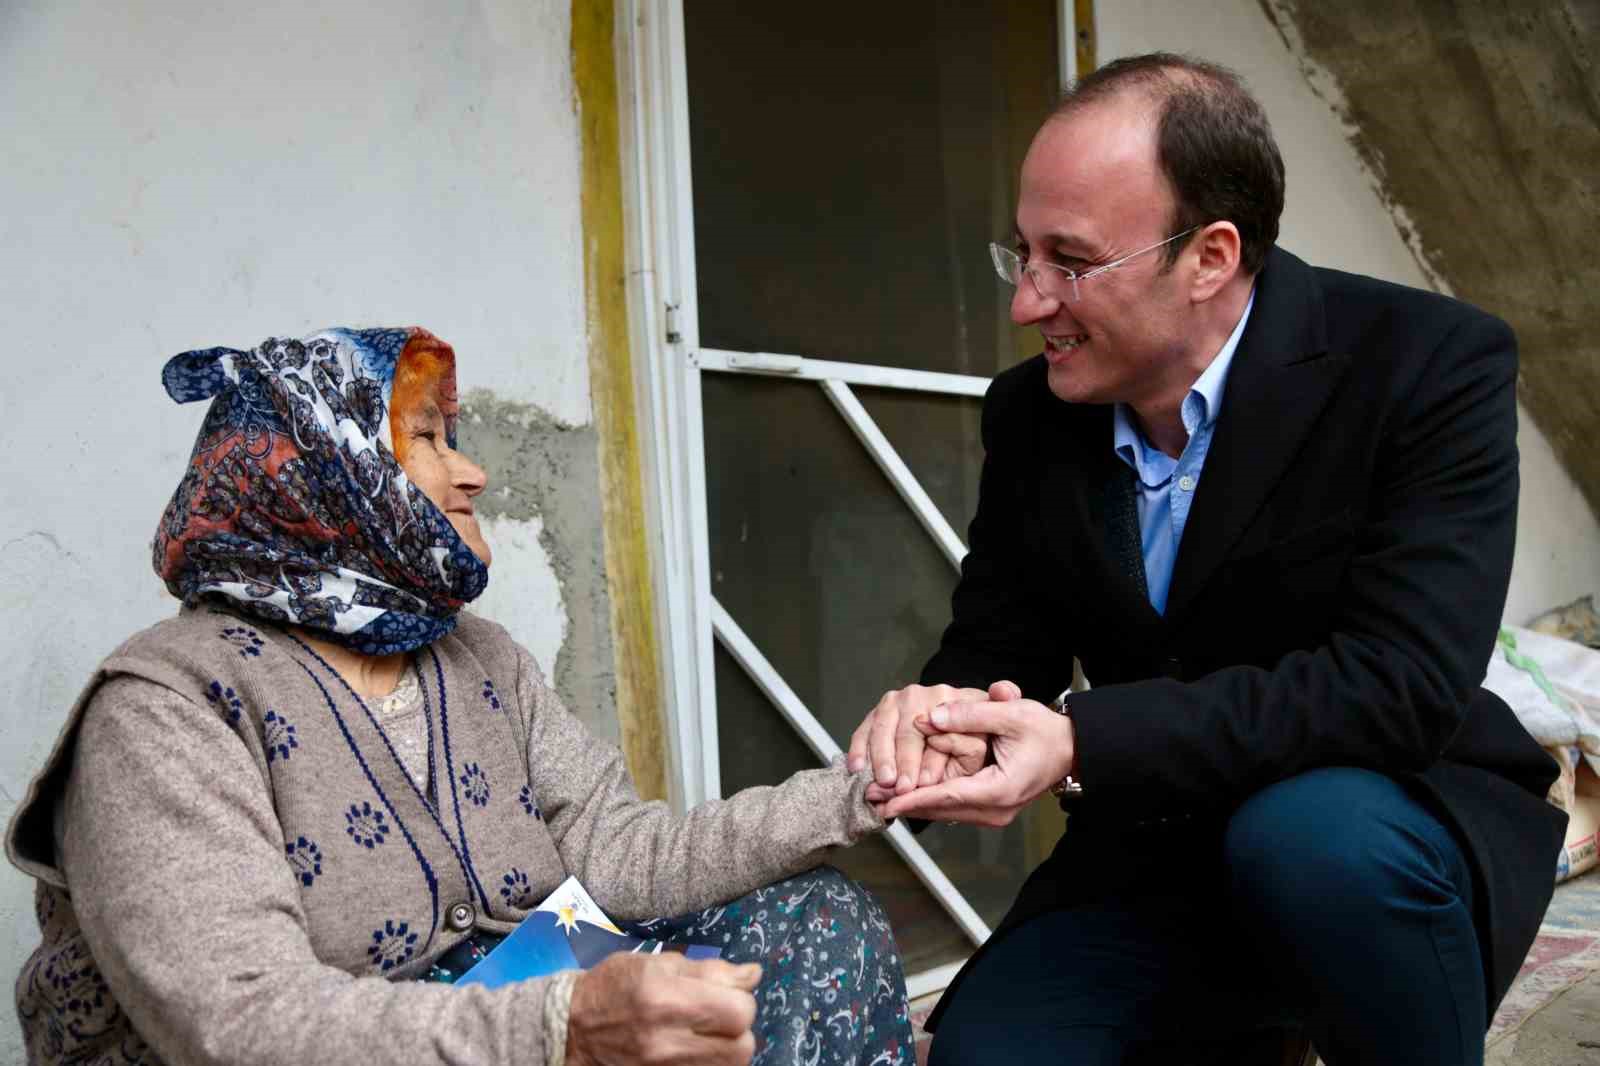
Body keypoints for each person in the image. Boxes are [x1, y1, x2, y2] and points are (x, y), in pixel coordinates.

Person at [848, 53, 1566, 1066]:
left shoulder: (1429, 362)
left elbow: (1400, 687)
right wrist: (930, 728)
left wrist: (1081, 740)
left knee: (1306, 844)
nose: (1028, 303)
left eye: (1070, 262)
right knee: (985, 1054)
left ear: (1210, 257)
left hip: (1374, 830)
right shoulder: (1030, 415)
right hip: (1155, 849)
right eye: (1023, 254)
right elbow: (1000, 644)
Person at [6, 327, 914, 1066]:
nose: (471, 471)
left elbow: (619, 858)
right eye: (429, 441)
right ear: (323, 471)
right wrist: (562, 1028)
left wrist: (863, 791)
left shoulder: (479, 656)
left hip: (507, 995)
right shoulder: (164, 708)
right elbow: (240, 1025)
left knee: (815, 921)